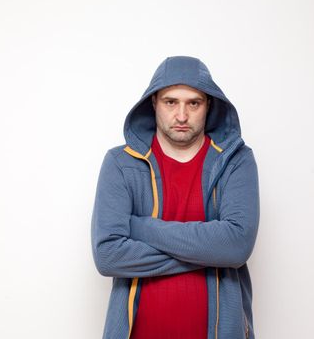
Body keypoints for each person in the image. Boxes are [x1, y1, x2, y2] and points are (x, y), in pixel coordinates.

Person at [91, 56, 260, 339]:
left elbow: (237, 246)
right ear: (154, 102)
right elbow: (108, 255)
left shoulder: (236, 161)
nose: (181, 116)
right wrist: (211, 252)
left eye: (193, 103)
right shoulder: (120, 163)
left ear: (209, 105)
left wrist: (140, 227)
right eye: (171, 102)